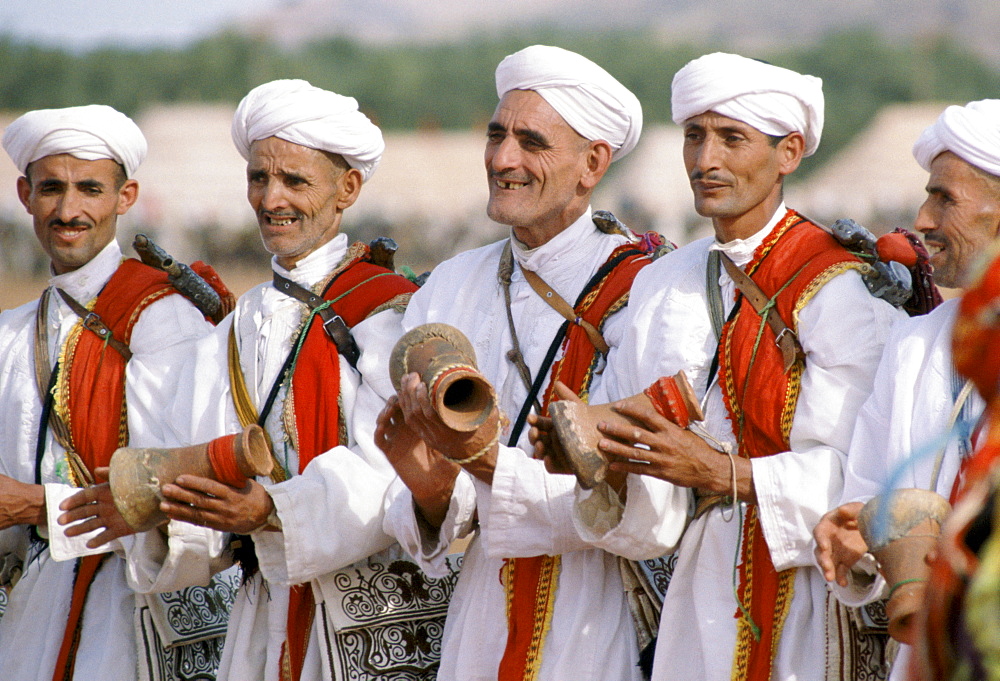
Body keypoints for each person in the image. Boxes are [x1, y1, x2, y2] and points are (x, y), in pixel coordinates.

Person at [557, 52, 903, 681]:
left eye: (731, 138)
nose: (704, 160)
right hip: (696, 590)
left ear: (788, 152)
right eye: (694, 136)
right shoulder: (663, 281)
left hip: (808, 595)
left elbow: (870, 471)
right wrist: (592, 454)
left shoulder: (838, 289)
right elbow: (642, 458)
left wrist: (725, 473)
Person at [376, 44, 682, 681]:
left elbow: (650, 500)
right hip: (480, 616)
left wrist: (488, 465)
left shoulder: (649, 291)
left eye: (531, 142)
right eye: (496, 135)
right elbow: (437, 505)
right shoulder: (450, 287)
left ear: (591, 163)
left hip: (599, 616)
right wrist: (431, 489)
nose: (502, 159)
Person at [106, 79, 424, 681]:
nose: (271, 198)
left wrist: (274, 511)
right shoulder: (234, 327)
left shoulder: (387, 312)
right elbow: (198, 458)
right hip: (263, 620)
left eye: (295, 181)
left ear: (346, 189)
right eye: (259, 178)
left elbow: (394, 472)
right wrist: (153, 510)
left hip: (376, 617)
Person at [0, 105, 227, 680]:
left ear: (126, 198)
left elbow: (175, 487)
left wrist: (33, 505)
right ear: (25, 195)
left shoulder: (161, 318)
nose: (68, 210)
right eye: (51, 188)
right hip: (30, 607)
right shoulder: (10, 332)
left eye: (90, 189)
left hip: (132, 610)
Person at [813, 98, 1000, 679]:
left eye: (944, 198)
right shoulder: (914, 345)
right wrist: (859, 532)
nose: (921, 220)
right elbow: (871, 494)